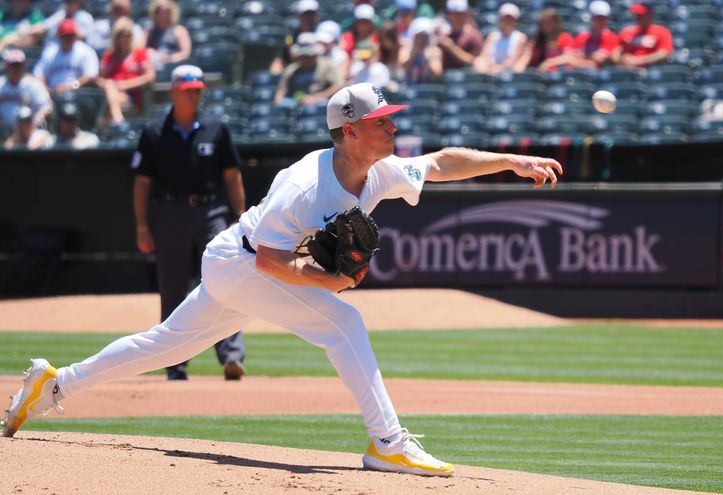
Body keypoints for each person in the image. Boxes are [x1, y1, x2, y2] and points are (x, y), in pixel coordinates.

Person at [1, 82, 562, 478]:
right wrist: (331, 282)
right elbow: (270, 261)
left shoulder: (380, 170)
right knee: (344, 322)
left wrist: (511, 160)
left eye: (391, 117)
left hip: (240, 266)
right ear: (348, 132)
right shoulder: (304, 184)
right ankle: (388, 443)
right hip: (243, 262)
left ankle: (54, 382)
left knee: (164, 344)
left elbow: (441, 163)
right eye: (380, 120)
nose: (392, 126)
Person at [132, 65, 247, 381]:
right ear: (173, 92)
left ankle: (231, 358)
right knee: (171, 287)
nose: (195, 95)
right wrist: (142, 225)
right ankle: (175, 362)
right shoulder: (155, 131)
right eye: (188, 90)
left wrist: (241, 217)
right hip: (170, 212)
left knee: (225, 280)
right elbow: (142, 183)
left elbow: (232, 175)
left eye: (198, 90)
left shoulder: (215, 127)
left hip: (211, 212)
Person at [98, 17, 155, 124]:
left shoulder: (140, 54)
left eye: (129, 34)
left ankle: (115, 122)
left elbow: (150, 77)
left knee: (108, 101)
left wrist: (126, 84)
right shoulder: (109, 56)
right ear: (116, 37)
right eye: (122, 35)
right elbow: (100, 79)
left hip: (132, 95)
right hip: (111, 93)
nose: (126, 38)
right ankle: (118, 121)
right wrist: (108, 84)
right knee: (110, 89)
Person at [536, 1, 617, 71]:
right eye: (597, 18)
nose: (600, 21)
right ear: (591, 18)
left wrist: (582, 56)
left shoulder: (612, 37)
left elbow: (600, 60)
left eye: (603, 18)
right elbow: (573, 57)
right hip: (579, 72)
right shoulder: (581, 37)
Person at [273, 32, 344, 108]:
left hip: (321, 107)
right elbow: (282, 90)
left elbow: (338, 86)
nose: (308, 59)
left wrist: (317, 98)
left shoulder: (328, 66)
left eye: (311, 55)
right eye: (304, 56)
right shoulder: (291, 70)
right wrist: (279, 100)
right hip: (297, 106)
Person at [33, 18, 99, 95]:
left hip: (78, 94)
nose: (68, 39)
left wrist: (71, 86)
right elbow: (38, 75)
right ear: (59, 36)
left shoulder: (85, 51)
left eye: (70, 35)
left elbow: (91, 75)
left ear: (75, 35)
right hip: (52, 94)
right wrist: (46, 91)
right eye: (65, 36)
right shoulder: (50, 52)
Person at [0, 48, 51, 134]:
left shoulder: (33, 83)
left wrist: (34, 122)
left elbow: (47, 106)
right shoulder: (1, 84)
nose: (16, 69)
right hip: (2, 131)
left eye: (18, 65)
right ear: (7, 66)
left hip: (29, 132)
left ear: (24, 66)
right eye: (13, 65)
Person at [613, 0, 673, 68]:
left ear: (650, 14)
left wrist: (638, 61)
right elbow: (616, 52)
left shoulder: (662, 32)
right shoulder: (626, 32)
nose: (637, 17)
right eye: (637, 14)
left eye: (641, 14)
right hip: (628, 72)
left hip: (651, 73)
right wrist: (621, 60)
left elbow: (664, 53)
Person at [473, 3, 527, 75]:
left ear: (516, 21)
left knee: (519, 67)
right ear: (500, 20)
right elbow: (484, 55)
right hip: (490, 69)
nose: (508, 22)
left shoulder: (520, 37)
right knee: (478, 61)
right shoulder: (492, 36)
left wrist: (499, 69)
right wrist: (490, 67)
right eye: (505, 19)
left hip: (509, 70)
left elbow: (514, 59)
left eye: (511, 19)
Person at [268, 0, 319, 76]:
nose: (308, 18)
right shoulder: (290, 37)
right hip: (296, 72)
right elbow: (283, 56)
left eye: (311, 14)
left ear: (317, 16)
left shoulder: (323, 34)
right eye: (305, 14)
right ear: (298, 16)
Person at [516, 8, 574, 72]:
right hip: (540, 76)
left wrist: (549, 63)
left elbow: (568, 57)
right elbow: (527, 56)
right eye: (543, 23)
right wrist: (518, 69)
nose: (546, 26)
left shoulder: (565, 38)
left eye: (549, 23)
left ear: (556, 23)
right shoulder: (537, 41)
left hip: (560, 75)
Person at [436, 0, 483, 71]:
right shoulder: (445, 36)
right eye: (455, 14)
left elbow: (475, 61)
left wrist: (451, 47)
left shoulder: (474, 36)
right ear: (449, 15)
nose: (458, 17)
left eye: (461, 14)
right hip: (446, 78)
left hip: (468, 79)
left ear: (466, 14)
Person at [144, 0, 191, 70]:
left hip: (173, 66)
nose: (162, 14)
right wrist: (149, 52)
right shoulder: (149, 32)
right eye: (159, 10)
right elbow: (139, 52)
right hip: (154, 67)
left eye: (166, 11)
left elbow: (185, 53)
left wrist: (168, 57)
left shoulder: (179, 30)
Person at [400, 17, 443, 84]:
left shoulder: (435, 51)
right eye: (419, 35)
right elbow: (403, 67)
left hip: (427, 90)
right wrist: (416, 50)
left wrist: (427, 55)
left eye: (425, 35)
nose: (422, 38)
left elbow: (437, 73)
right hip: (409, 89)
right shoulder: (406, 50)